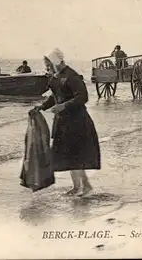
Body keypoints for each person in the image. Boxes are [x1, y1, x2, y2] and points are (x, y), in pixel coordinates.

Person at [34, 48, 101, 197]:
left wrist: (63, 106)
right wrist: (42, 106)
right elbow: (55, 96)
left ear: (56, 62)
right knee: (71, 156)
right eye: (46, 65)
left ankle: (83, 186)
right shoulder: (56, 77)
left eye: (49, 64)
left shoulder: (72, 76)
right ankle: (79, 186)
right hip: (63, 122)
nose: (47, 67)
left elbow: (83, 97)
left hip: (77, 121)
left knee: (75, 155)